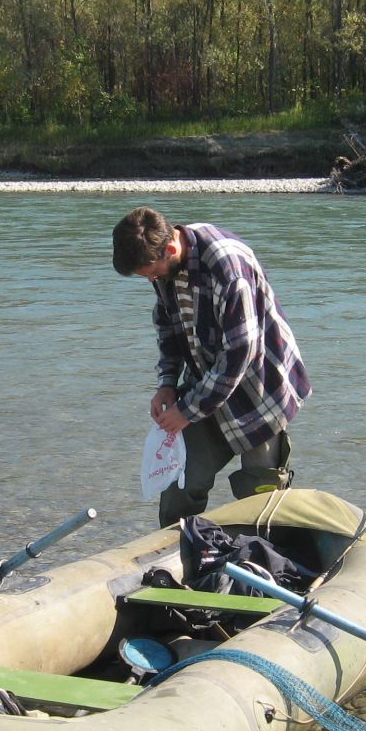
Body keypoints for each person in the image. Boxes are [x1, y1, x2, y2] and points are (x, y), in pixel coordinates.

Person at [112, 206, 311, 527]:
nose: (150, 280)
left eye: (151, 273)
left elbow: (241, 353)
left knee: (260, 495)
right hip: (205, 383)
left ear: (171, 248)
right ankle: (180, 548)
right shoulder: (163, 263)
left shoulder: (228, 269)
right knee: (180, 486)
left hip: (260, 390)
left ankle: (268, 550)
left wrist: (187, 411)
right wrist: (167, 383)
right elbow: (167, 326)